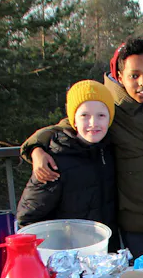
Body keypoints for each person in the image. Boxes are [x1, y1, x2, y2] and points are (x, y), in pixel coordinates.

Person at [21, 37, 143, 259]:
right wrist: (36, 149)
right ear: (121, 76)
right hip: (139, 228)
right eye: (134, 75)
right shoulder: (111, 109)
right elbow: (67, 127)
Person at [16, 80, 118, 247]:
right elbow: (28, 218)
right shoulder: (56, 159)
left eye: (101, 115)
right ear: (73, 121)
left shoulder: (108, 151)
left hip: (102, 253)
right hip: (67, 255)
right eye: (85, 115)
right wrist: (53, 247)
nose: (93, 123)